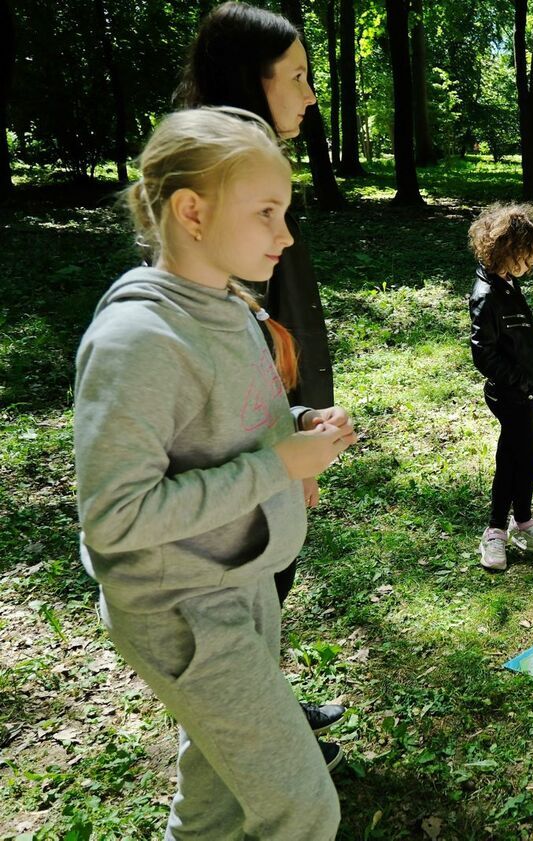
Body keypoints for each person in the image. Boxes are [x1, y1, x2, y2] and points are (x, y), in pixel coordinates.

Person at [75, 108, 356, 838]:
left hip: (241, 583)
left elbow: (228, 433)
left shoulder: (230, 304)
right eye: (266, 211)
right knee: (304, 807)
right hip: (183, 612)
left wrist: (299, 431)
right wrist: (275, 465)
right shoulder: (139, 338)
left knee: (217, 793)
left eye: (285, 211)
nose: (286, 233)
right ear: (192, 211)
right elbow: (116, 517)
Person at [175, 0, 332, 605]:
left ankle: (267, 701)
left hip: (268, 434)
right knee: (239, 598)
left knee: (269, 583)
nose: (310, 94)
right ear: (250, 79)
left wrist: (301, 423)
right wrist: (286, 454)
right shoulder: (216, 185)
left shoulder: (248, 174)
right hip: (232, 462)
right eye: (296, 76)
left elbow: (277, 323)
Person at [467, 203, 533, 571]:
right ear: (506, 250)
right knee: (517, 461)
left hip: (528, 393)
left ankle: (523, 523)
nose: (532, 263)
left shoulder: (507, 283)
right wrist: (522, 382)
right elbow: (484, 356)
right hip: (511, 395)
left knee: (527, 460)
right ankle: (494, 532)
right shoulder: (486, 294)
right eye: (527, 256)